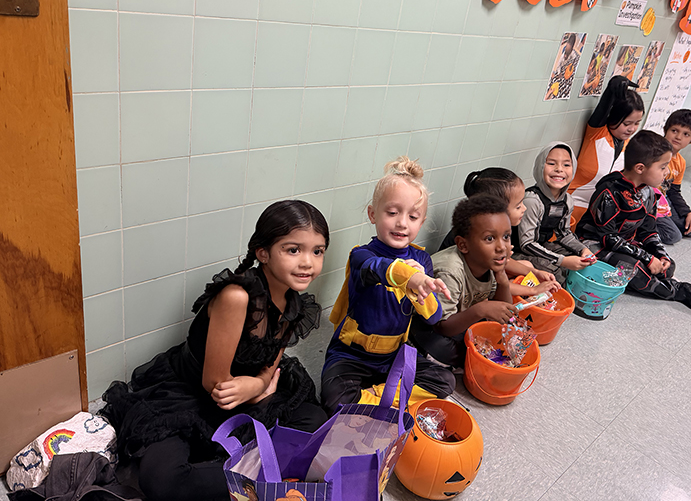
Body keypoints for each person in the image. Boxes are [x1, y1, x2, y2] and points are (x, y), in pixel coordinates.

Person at [100, 200, 331, 501]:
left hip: (245, 390)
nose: (308, 263)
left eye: (318, 251)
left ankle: (238, 474)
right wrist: (256, 388)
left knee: (315, 422)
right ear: (263, 253)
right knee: (163, 480)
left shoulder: (294, 303)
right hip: (191, 393)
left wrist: (258, 383)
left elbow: (270, 367)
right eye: (293, 250)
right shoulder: (236, 297)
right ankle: (259, 480)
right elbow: (217, 386)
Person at [321, 157, 456, 414]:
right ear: (373, 214)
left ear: (421, 221)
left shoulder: (422, 259)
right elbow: (378, 269)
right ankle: (394, 400)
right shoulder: (361, 255)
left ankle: (377, 398)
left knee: (446, 380)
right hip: (352, 354)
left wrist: (421, 291)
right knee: (333, 399)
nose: (402, 223)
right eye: (392, 213)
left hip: (393, 355)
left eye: (413, 216)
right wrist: (409, 277)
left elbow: (434, 317)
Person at [576, 130, 691, 312]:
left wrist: (660, 255)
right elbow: (608, 238)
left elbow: (649, 231)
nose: (667, 172)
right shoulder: (609, 191)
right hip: (594, 244)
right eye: (662, 167)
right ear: (640, 168)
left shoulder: (649, 192)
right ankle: (674, 291)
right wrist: (646, 257)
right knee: (634, 269)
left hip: (626, 244)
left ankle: (656, 278)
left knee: (667, 266)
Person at [410, 194, 517, 368]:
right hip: (424, 325)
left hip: (456, 318)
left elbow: (504, 314)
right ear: (463, 245)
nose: (501, 247)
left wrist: (503, 280)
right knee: (450, 350)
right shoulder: (450, 271)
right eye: (490, 238)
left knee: (490, 336)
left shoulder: (487, 262)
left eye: (506, 236)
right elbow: (441, 326)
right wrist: (480, 309)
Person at [438, 167, 561, 296]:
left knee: (527, 265)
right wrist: (533, 290)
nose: (524, 208)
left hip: (484, 273)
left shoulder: (495, 230)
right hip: (467, 287)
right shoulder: (475, 237)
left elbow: (503, 262)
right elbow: (492, 284)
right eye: (518, 206)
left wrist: (534, 272)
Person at [514, 143, 596, 283]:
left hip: (541, 245)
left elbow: (563, 233)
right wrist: (562, 261)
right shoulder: (532, 200)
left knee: (577, 258)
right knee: (553, 271)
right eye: (551, 163)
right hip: (518, 251)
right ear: (540, 167)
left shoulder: (567, 201)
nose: (559, 169)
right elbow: (527, 244)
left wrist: (583, 251)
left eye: (566, 165)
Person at [569, 75, 644, 224]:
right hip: (574, 207)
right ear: (612, 117)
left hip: (602, 213)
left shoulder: (630, 146)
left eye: (637, 123)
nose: (632, 129)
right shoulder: (597, 134)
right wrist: (611, 89)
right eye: (627, 123)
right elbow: (602, 109)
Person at [656, 109, 691, 244]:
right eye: (674, 131)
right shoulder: (655, 151)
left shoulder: (681, 162)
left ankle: (666, 221)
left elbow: (674, 191)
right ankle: (642, 228)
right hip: (648, 201)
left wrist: (687, 212)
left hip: (664, 200)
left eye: (686, 134)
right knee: (673, 236)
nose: (678, 137)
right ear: (666, 129)